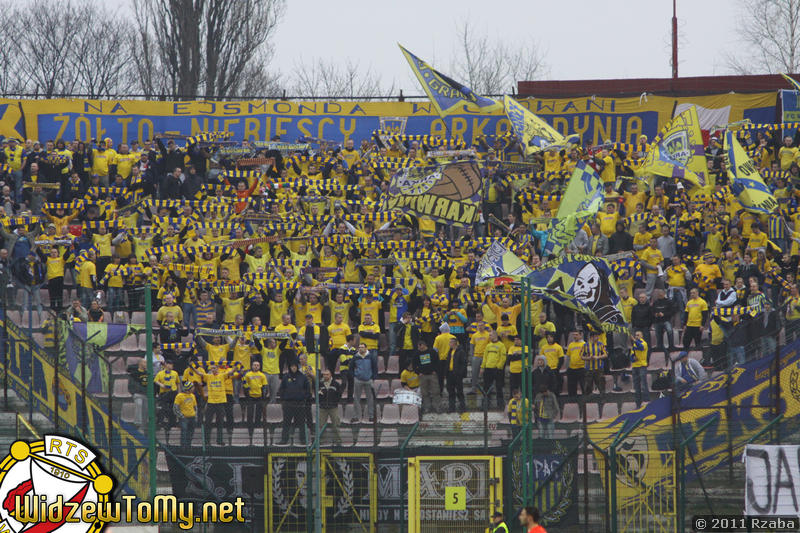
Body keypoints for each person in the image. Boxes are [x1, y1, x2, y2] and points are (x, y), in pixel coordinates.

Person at [278, 359, 311, 445]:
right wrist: (284, 399)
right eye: (292, 366)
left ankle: (303, 440)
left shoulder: (303, 377)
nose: (293, 368)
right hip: (288, 404)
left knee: (301, 423)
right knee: (286, 423)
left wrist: (304, 398)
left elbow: (308, 389)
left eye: (295, 366)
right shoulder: (286, 377)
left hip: (299, 404)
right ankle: (284, 440)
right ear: (290, 367)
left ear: (297, 367)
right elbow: (281, 389)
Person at [241, 360, 268, 444]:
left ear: (259, 367)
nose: (256, 366)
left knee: (258, 413)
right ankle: (250, 427)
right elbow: (245, 385)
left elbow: (265, 386)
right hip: (251, 397)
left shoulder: (262, 375)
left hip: (259, 397)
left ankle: (257, 426)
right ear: (252, 366)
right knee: (250, 413)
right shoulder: (248, 375)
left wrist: (263, 396)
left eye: (257, 365)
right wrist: (247, 394)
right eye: (254, 365)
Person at [351, 342, 377, 422]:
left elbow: (374, 367)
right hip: (358, 380)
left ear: (366, 348)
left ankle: (371, 416)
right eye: (359, 347)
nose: (360, 348)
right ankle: (356, 416)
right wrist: (354, 376)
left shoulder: (371, 356)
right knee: (356, 399)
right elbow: (351, 368)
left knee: (370, 399)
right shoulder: (355, 357)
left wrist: (373, 377)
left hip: (368, 380)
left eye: (362, 347)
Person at [414, 339, 440, 415]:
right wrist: (418, 372)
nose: (419, 349)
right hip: (423, 376)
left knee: (436, 391)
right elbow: (414, 364)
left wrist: (435, 371)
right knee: (424, 393)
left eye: (420, 347)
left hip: (432, 375)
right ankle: (427, 407)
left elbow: (437, 362)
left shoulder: (432, 352)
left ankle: (437, 406)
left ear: (424, 345)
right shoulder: (417, 354)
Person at [318, 369, 343, 445]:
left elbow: (339, 395)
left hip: (333, 408)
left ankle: (338, 441)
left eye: (327, 374)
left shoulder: (336, 384)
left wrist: (335, 402)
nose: (325, 376)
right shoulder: (320, 384)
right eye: (324, 374)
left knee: (335, 425)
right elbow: (317, 395)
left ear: (331, 375)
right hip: (323, 408)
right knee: (321, 425)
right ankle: (321, 442)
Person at [173, 380, 197, 447]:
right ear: (189, 388)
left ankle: (189, 445)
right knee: (184, 432)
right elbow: (175, 407)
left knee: (191, 432)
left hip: (192, 417)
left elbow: (195, 407)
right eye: (192, 387)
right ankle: (183, 446)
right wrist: (181, 416)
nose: (194, 388)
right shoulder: (179, 396)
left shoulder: (193, 396)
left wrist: (195, 414)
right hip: (184, 418)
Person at [446, 337, 467, 413]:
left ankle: (462, 407)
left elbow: (463, 363)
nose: (449, 344)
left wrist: (460, 373)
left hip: (457, 374)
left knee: (459, 391)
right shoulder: (450, 351)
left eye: (450, 342)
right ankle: (451, 407)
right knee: (451, 391)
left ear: (454, 343)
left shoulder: (461, 351)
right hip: (450, 374)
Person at [630, 331, 649, 408]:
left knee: (644, 385)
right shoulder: (634, 345)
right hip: (635, 367)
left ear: (642, 336)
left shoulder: (644, 343)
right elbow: (631, 356)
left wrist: (634, 340)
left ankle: (646, 401)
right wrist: (633, 359)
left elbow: (641, 347)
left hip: (642, 366)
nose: (637, 336)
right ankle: (638, 404)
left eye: (638, 335)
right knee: (636, 386)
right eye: (635, 335)